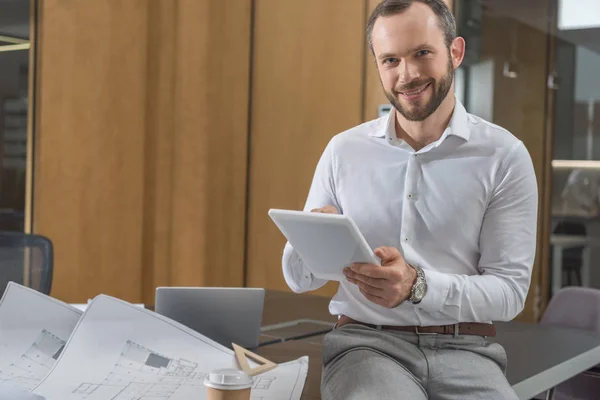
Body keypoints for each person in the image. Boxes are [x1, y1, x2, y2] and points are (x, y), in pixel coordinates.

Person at [280, 0, 538, 399]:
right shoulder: (343, 151)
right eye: (390, 60)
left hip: (468, 351)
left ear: (455, 52)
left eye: (422, 53)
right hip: (366, 347)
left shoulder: (505, 156)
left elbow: (508, 294)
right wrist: (315, 238)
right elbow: (298, 278)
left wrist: (419, 286)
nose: (408, 74)